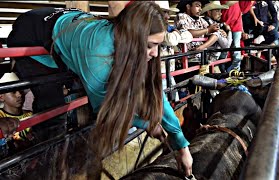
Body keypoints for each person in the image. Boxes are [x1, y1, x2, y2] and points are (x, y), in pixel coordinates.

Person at [7, 2, 193, 176]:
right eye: (149, 46)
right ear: (132, 39)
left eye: (158, 46)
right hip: (31, 34)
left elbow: (154, 94)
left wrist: (181, 145)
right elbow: (105, 109)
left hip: (65, 27)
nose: (155, 53)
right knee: (54, 111)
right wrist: (146, 124)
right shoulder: (97, 57)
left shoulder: (126, 42)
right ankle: (46, 173)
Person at [0, 72, 34, 158]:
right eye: (14, 92)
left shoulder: (29, 114)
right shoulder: (1, 117)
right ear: (1, 97)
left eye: (21, 90)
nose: (19, 94)